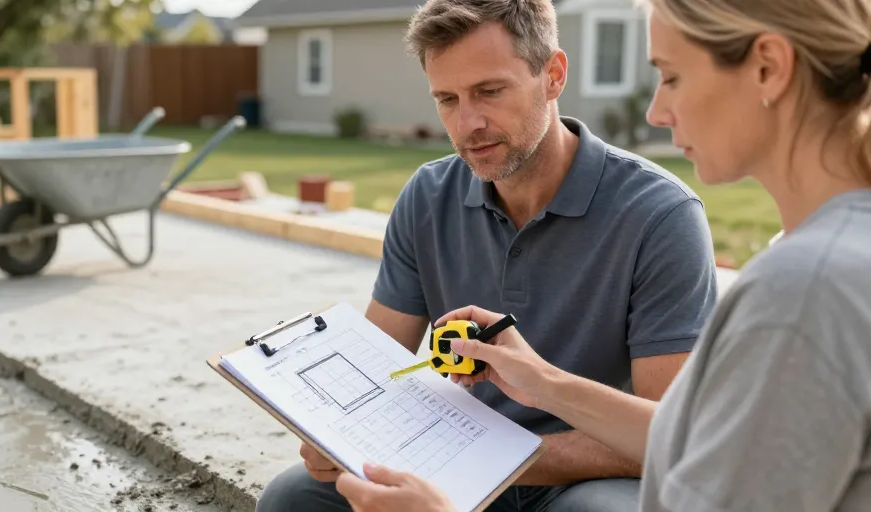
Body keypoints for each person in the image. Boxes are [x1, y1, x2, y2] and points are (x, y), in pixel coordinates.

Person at [331, 0, 871, 510]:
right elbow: (688, 437)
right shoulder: (821, 256)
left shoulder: (806, 284)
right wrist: (542, 382)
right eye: (447, 99)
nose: (657, 111)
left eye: (672, 75)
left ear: (768, 68)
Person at [254, 0, 721, 511]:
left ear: (553, 75)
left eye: (489, 91)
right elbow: (374, 370)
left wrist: (488, 461)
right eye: (447, 99)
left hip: (588, 477)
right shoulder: (428, 196)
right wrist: (337, 437)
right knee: (293, 498)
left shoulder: (660, 213)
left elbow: (668, 436)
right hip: (452, 462)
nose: (467, 122)